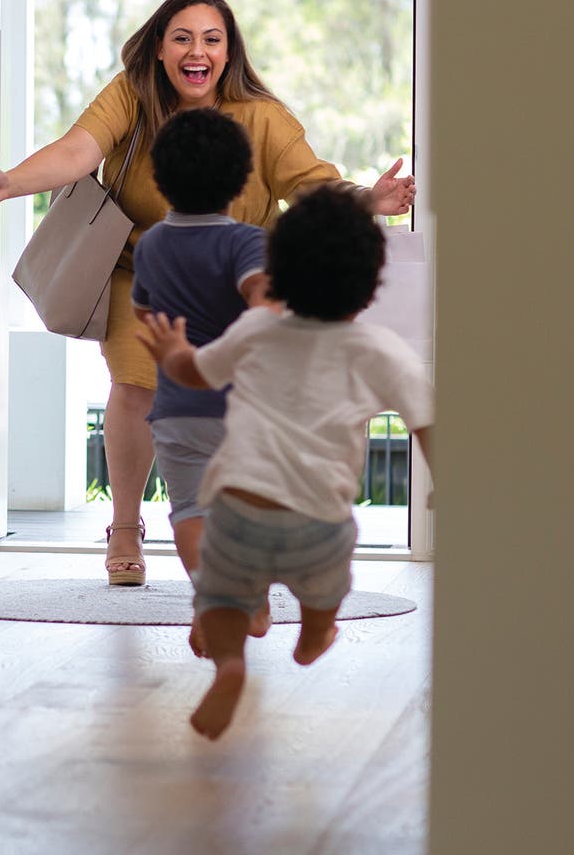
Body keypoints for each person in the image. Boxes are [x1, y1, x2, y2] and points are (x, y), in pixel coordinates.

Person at [0, 0, 417, 586]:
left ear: (228, 54)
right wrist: (7, 184)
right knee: (135, 387)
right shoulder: (131, 94)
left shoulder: (262, 116)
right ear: (160, 47)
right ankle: (125, 526)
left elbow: (311, 184)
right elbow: (77, 151)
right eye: (182, 37)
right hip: (142, 264)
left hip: (237, 267)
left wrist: (369, 201)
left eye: (211, 39)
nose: (196, 51)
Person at [134, 187, 434, 739]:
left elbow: (197, 372)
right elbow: (428, 420)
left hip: (234, 511)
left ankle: (229, 665)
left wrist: (172, 353)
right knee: (326, 588)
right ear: (370, 285)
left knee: (222, 601)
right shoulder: (380, 350)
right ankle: (316, 630)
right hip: (317, 521)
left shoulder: (256, 329)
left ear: (279, 272)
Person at [128, 109, 273, 583]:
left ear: (160, 179)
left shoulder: (151, 244)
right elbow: (264, 301)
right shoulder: (248, 241)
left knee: (190, 510)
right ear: (241, 182)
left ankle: (214, 595)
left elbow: (144, 313)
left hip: (176, 408)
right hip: (243, 408)